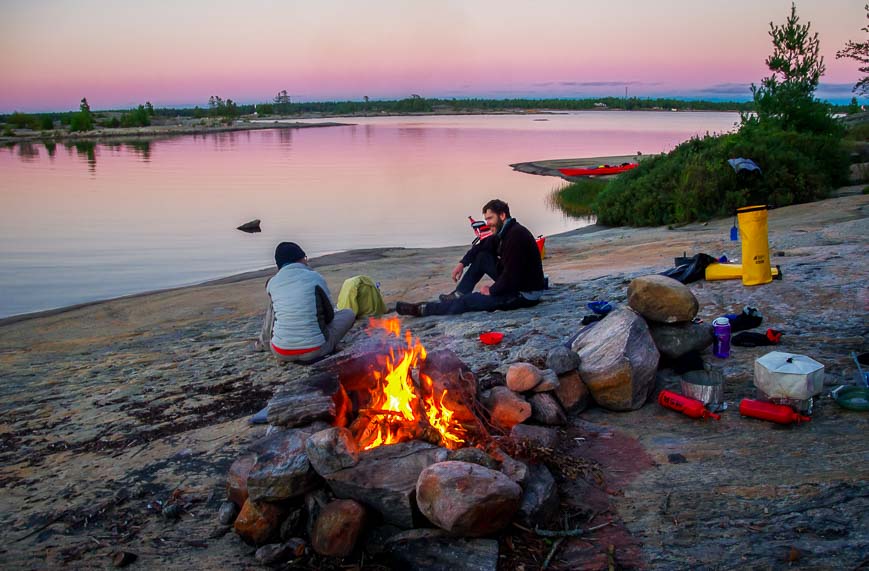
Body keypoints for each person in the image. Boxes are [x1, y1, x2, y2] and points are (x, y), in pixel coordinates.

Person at [396, 199, 545, 317]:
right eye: (486, 220)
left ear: (502, 215)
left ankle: (423, 309)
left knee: (469, 301)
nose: (488, 224)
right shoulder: (503, 233)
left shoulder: (516, 236)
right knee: (482, 257)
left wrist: (492, 290)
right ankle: (459, 293)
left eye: (490, 218)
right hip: (516, 283)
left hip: (524, 294)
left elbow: (512, 275)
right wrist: (462, 263)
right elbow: (481, 247)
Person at [256, 242, 355, 362]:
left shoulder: (272, 283)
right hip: (315, 350)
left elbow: (272, 318)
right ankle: (327, 346)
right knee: (349, 313)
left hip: (280, 351)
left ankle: (263, 343)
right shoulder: (315, 277)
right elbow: (330, 316)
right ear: (301, 259)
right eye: (305, 258)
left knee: (274, 307)